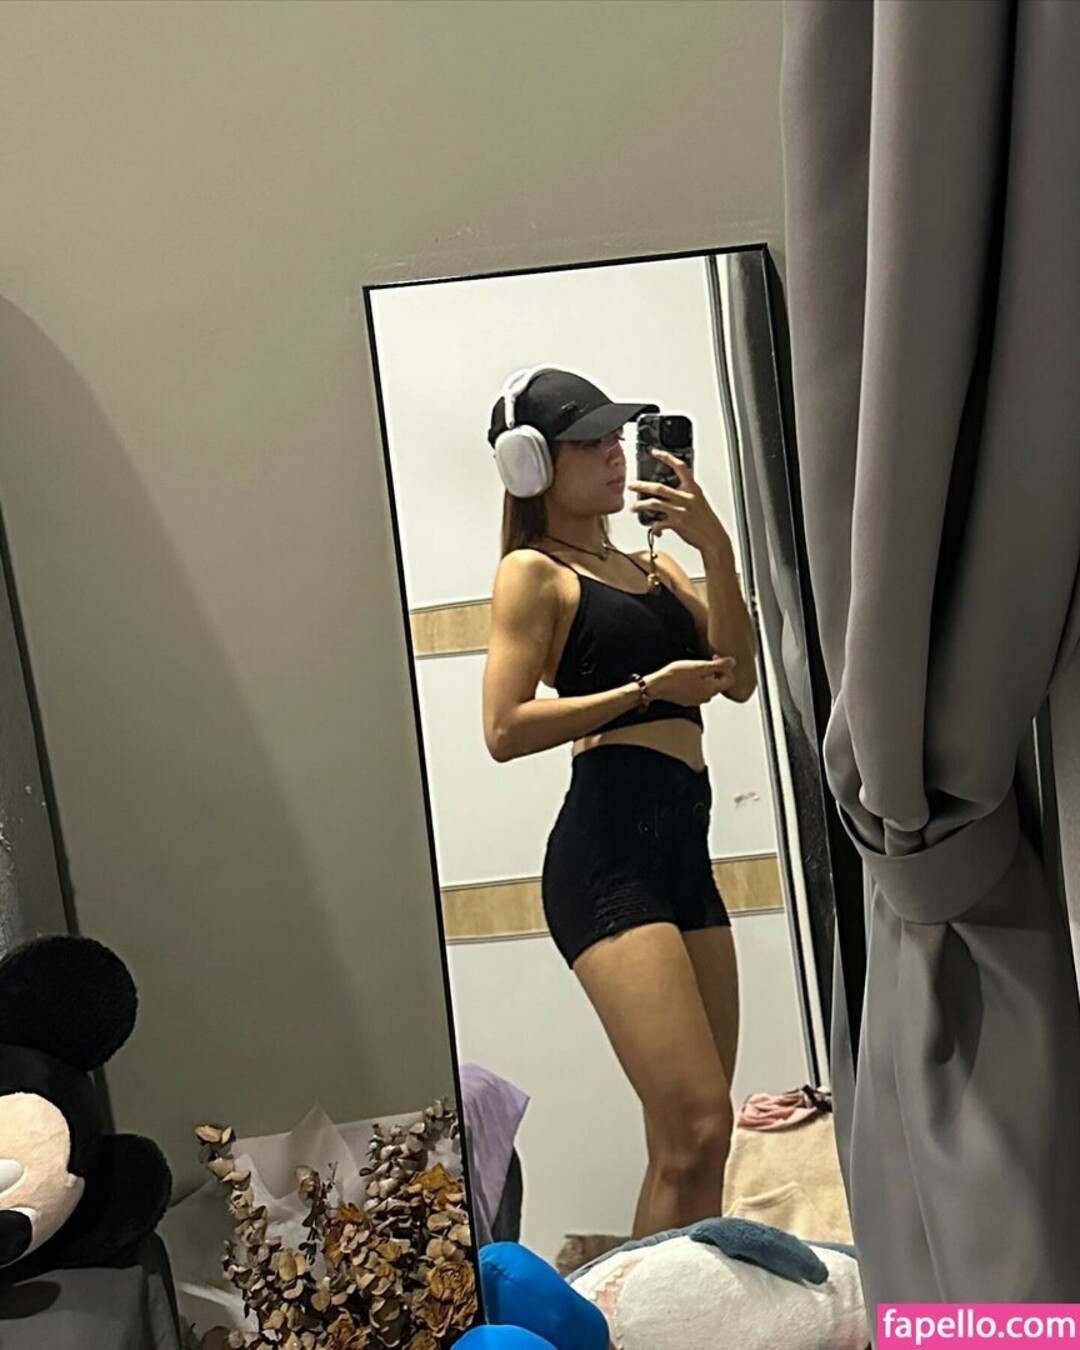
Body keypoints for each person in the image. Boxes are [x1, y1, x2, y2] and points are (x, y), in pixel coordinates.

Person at [481, 367, 757, 1237]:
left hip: (683, 853)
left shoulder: (657, 566)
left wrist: (716, 551)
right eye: (589, 442)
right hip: (607, 858)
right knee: (696, 1128)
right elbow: (503, 727)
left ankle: (685, 1302)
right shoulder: (534, 574)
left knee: (700, 1142)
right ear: (532, 466)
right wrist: (645, 690)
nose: (613, 454)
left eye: (615, 438)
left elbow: (740, 679)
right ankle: (646, 1307)